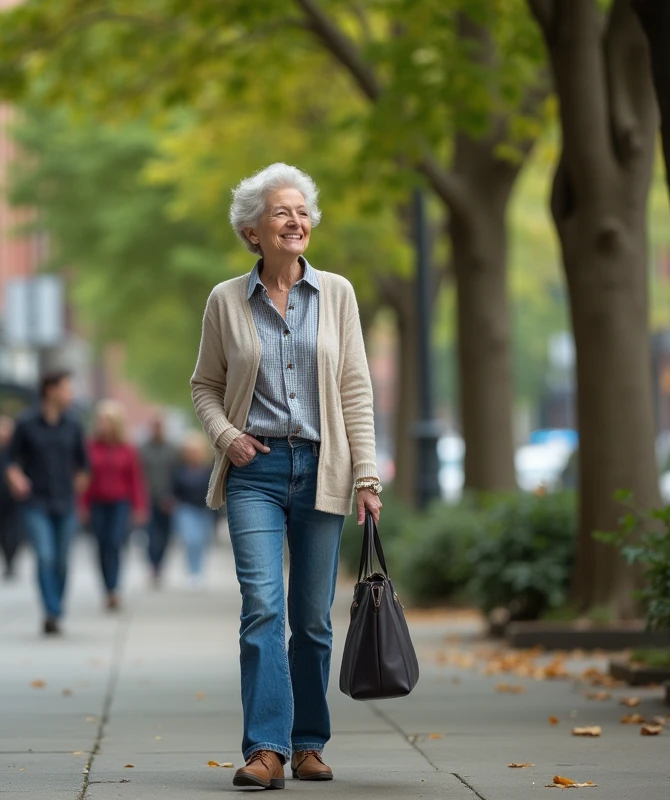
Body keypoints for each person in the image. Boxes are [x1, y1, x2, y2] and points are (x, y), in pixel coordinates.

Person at [190, 163, 382, 789]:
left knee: (313, 620)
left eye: (303, 212)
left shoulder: (338, 295)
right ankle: (266, 749)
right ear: (253, 231)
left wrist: (367, 476)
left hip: (323, 468)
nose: (296, 221)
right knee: (263, 608)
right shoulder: (225, 300)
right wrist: (227, 437)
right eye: (282, 212)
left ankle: (308, 743)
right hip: (256, 470)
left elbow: (355, 388)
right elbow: (205, 386)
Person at [7, 371, 90, 636]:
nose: (70, 394)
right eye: (67, 389)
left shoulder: (73, 424)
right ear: (50, 390)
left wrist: (80, 485)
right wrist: (16, 479)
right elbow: (10, 461)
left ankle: (55, 607)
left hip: (65, 502)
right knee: (44, 556)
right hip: (35, 502)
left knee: (62, 560)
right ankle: (51, 611)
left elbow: (83, 465)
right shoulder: (26, 422)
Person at [81, 400, 147, 612]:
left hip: (120, 502)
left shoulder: (127, 448)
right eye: (100, 420)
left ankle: (114, 589)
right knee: (101, 545)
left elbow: (135, 479)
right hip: (97, 503)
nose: (102, 425)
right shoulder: (90, 447)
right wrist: (82, 504)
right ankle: (107, 588)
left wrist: (139, 507)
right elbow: (84, 479)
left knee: (115, 542)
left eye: (106, 421)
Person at [171, 433, 216, 589]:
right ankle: (192, 571)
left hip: (204, 510)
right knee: (191, 539)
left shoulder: (208, 470)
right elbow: (174, 490)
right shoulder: (180, 470)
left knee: (201, 541)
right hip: (186, 509)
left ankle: (199, 570)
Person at [139, 413, 178, 588]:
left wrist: (173, 497)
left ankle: (159, 564)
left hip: (167, 501)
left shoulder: (172, 450)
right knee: (151, 535)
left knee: (165, 536)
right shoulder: (142, 450)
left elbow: (177, 475)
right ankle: (153, 565)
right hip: (148, 500)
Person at [0, 415, 23, 581]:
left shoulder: (15, 452)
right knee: (0, 531)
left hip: (14, 496)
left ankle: (12, 560)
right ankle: (6, 562)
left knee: (14, 531)